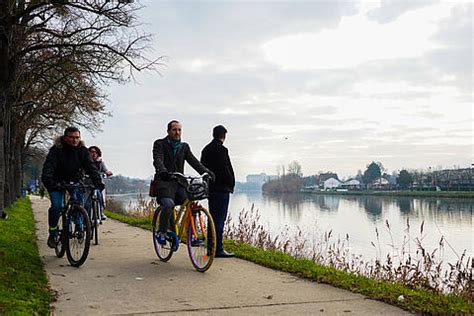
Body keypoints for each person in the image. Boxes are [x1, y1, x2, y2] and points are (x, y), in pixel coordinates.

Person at [152, 120, 213, 250]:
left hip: (179, 182)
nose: (177, 132)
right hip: (164, 181)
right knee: (168, 204)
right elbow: (158, 159)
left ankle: (192, 235)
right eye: (174, 130)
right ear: (168, 131)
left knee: (192, 204)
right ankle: (161, 232)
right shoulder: (160, 144)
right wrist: (163, 171)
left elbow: (194, 161)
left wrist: (206, 172)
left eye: (179, 130)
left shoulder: (184, 147)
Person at [41, 126, 104, 248]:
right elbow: (49, 167)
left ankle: (79, 226)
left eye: (77, 137)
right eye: (71, 138)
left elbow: (90, 167)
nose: (75, 140)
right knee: (57, 206)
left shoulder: (82, 150)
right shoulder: (56, 150)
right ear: (65, 137)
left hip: (75, 180)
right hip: (56, 182)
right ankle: (53, 233)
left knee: (79, 204)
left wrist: (98, 182)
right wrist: (50, 182)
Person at [201, 125, 235, 258]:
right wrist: (230, 183)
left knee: (212, 219)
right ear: (224, 136)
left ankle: (211, 248)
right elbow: (225, 168)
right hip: (222, 189)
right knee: (220, 220)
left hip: (212, 189)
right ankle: (218, 248)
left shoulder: (206, 150)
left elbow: (202, 167)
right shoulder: (222, 150)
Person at [88, 146, 113, 220]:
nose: (93, 154)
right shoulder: (86, 162)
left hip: (98, 183)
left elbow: (105, 170)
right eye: (91, 152)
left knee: (100, 196)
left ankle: (101, 212)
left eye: (95, 152)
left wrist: (107, 172)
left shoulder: (100, 162)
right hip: (88, 183)